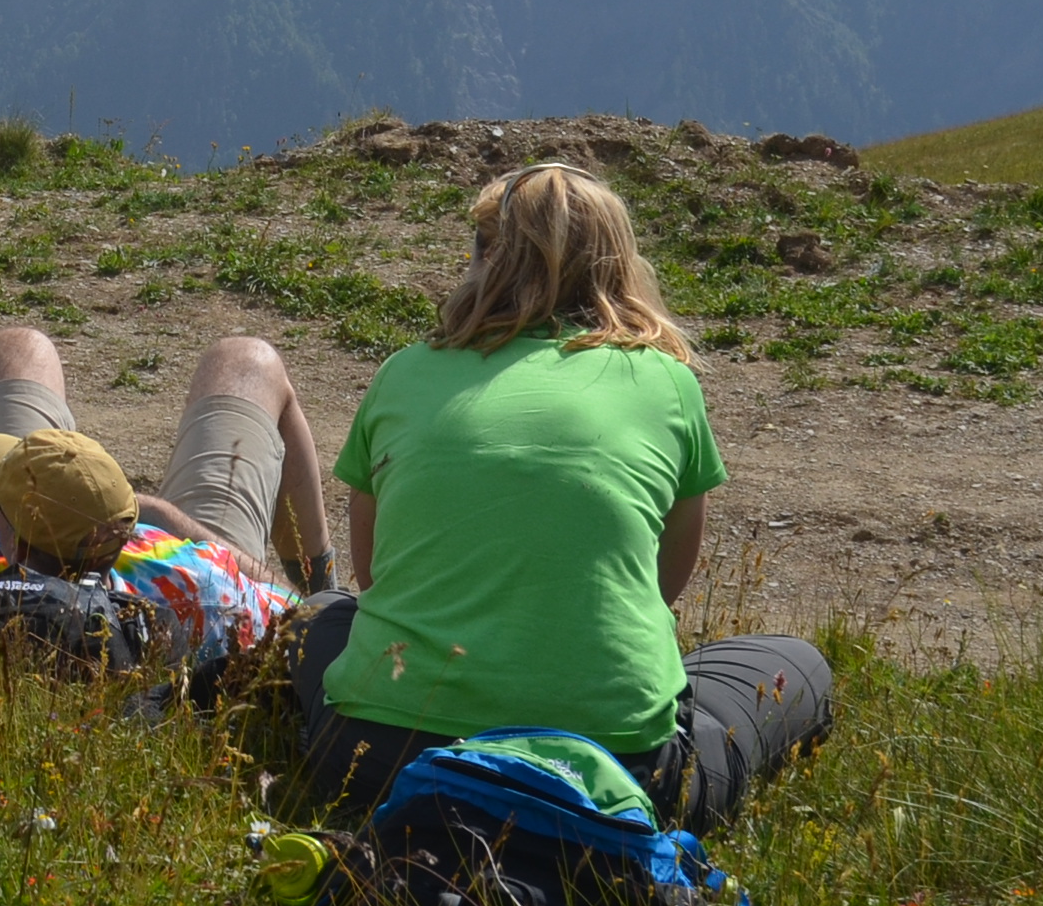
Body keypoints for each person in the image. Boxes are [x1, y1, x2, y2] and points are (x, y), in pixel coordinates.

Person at [289, 161, 832, 834]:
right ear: (618, 266)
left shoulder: (403, 373)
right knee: (797, 665)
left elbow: (376, 578)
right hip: (615, 769)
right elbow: (662, 585)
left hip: (378, 759)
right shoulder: (668, 384)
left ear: (484, 259)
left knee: (323, 611)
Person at [0, 327, 334, 689]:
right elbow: (302, 613)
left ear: (11, 538)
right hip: (175, 559)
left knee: (14, 351)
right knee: (249, 361)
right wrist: (168, 520)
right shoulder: (203, 586)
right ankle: (321, 571)